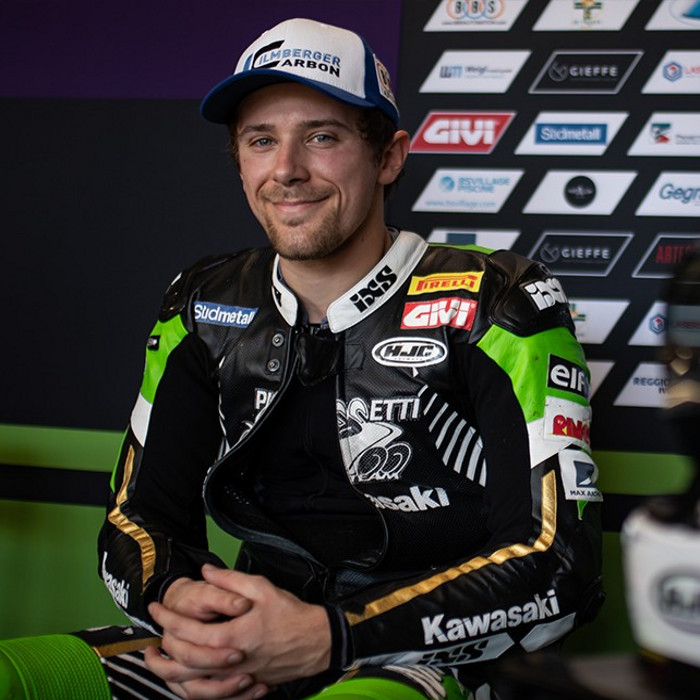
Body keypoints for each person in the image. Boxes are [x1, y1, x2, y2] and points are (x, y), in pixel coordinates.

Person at [95, 17, 604, 700]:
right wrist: (190, 614)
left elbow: (560, 566)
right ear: (240, 161)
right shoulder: (202, 303)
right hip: (247, 644)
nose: (286, 170)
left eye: (322, 137)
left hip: (426, 659)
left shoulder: (500, 302)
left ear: (389, 157)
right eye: (261, 140)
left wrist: (330, 637)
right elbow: (136, 519)